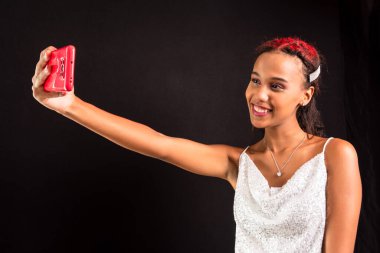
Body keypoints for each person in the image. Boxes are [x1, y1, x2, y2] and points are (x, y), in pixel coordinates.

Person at [31, 37, 362, 252]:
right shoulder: (238, 163)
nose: (259, 95)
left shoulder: (335, 155)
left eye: (276, 86)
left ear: (305, 95)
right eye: (255, 80)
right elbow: (158, 144)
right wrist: (68, 105)